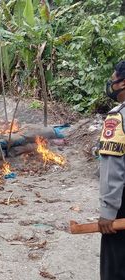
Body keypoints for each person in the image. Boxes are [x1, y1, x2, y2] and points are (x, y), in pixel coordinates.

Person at [98, 60, 125, 280]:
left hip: (122, 211)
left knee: (115, 269)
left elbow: (113, 166)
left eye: (114, 80)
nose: (112, 85)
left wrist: (108, 211)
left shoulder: (117, 118)